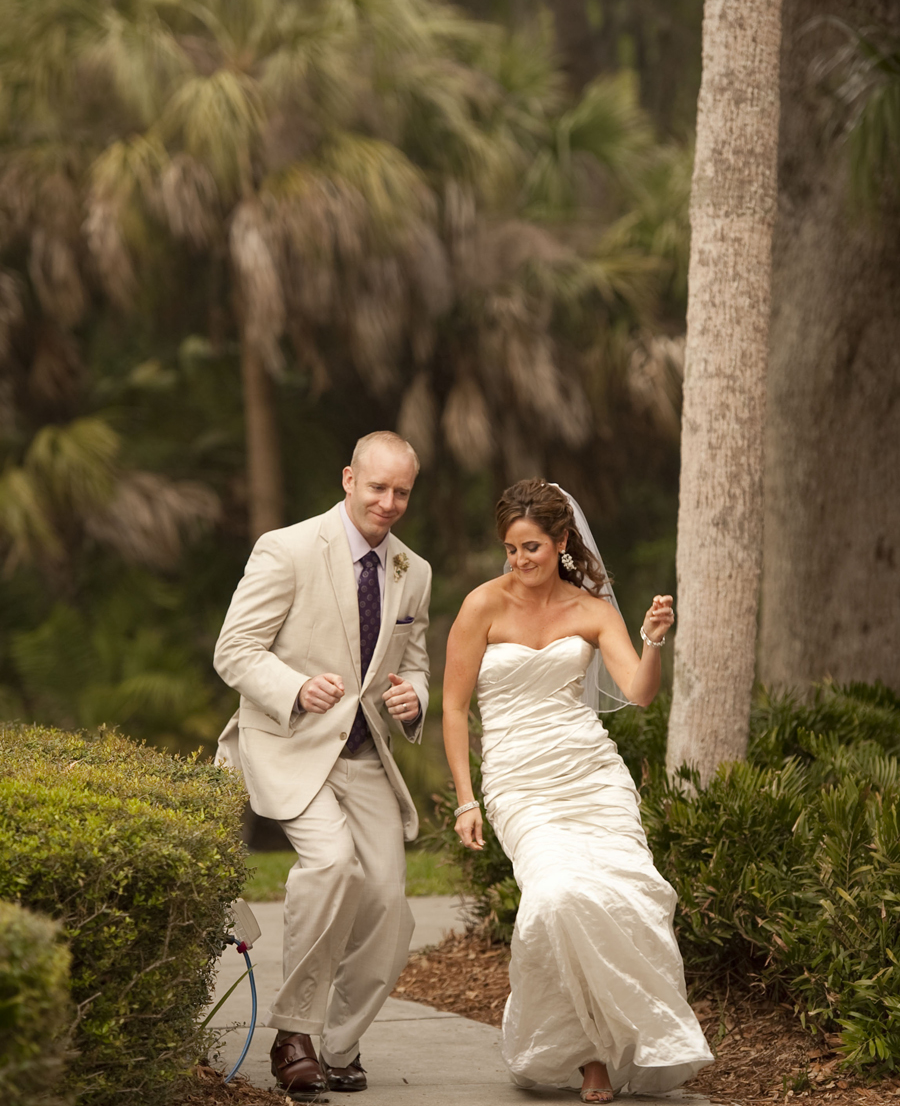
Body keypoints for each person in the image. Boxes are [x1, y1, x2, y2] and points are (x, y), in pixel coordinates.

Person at [443, 479, 712, 1104]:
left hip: (592, 776)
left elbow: (639, 693)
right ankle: (582, 1048)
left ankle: (603, 1052)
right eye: (511, 549)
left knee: (625, 896)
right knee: (557, 897)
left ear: (562, 542)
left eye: (532, 547)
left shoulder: (592, 610)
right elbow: (454, 711)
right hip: (519, 783)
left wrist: (652, 638)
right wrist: (465, 797)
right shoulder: (481, 605)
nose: (519, 561)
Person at [213, 431, 431, 1099]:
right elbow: (235, 651)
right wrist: (293, 688)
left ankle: (337, 1044)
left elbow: (416, 662)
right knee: (332, 864)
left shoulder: (412, 572)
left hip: (367, 756)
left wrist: (412, 697)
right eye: (377, 488)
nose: (389, 503)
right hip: (289, 745)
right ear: (348, 479)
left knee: (391, 905)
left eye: (401, 492)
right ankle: (293, 1035)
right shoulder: (286, 549)